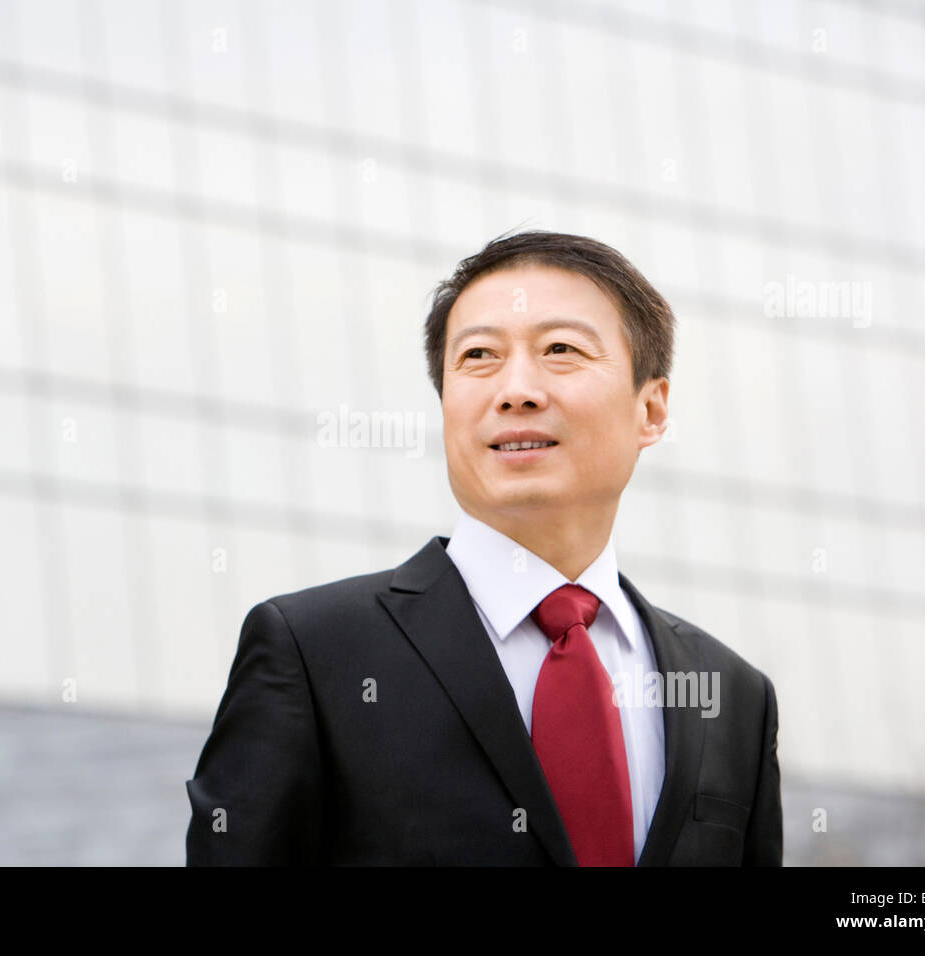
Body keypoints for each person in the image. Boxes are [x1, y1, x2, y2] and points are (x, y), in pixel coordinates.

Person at [185, 229, 782, 866]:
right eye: (478, 357)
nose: (516, 389)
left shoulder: (732, 696)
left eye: (560, 349)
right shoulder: (313, 653)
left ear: (652, 410)